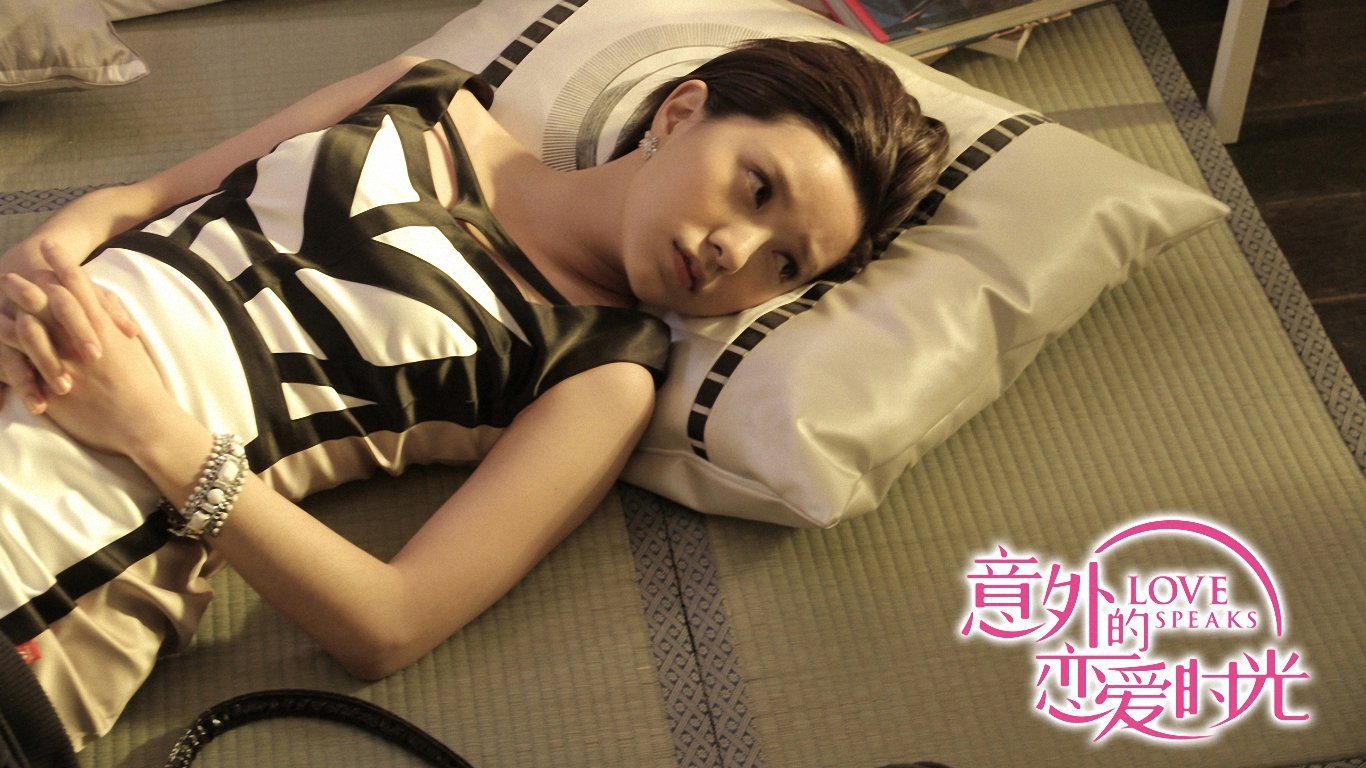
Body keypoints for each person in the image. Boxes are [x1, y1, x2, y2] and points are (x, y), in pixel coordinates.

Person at [0, 38, 949, 749]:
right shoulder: (422, 91)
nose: (734, 252)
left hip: (59, 548)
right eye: (756, 189)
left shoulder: (602, 370)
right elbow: (150, 197)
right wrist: (50, 251)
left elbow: (390, 624)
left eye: (784, 264)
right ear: (679, 113)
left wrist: (152, 432)